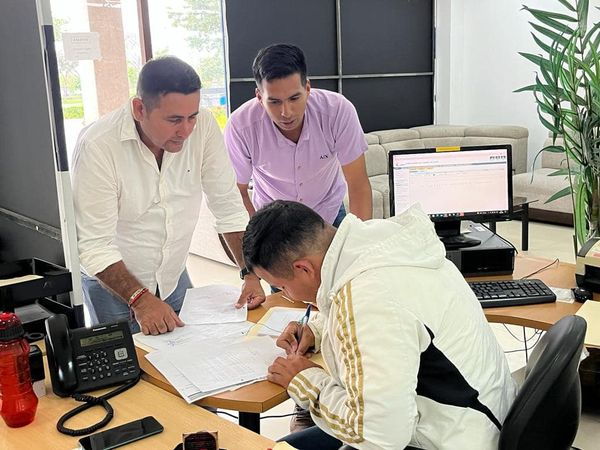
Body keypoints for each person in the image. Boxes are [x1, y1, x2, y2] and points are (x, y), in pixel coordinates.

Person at [242, 200, 517, 450]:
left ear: (304, 268)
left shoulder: (367, 299)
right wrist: (318, 329)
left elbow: (379, 437)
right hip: (477, 422)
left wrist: (305, 381)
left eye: (282, 286)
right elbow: (397, 312)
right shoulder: (383, 248)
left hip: (450, 441)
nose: (288, 295)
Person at [72, 56, 265, 336]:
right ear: (139, 109)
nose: (185, 131)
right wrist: (140, 299)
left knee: (188, 351)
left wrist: (249, 272)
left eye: (191, 117)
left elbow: (227, 204)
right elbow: (94, 245)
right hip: (112, 284)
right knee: (130, 362)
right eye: (174, 120)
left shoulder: (203, 126)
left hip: (172, 275)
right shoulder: (98, 145)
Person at [224, 43, 372, 228]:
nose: (286, 112)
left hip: (328, 210)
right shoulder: (240, 127)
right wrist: (256, 234)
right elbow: (237, 191)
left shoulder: (337, 111)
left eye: (294, 98)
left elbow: (358, 183)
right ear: (260, 97)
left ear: (307, 88)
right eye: (274, 102)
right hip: (273, 218)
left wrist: (360, 239)